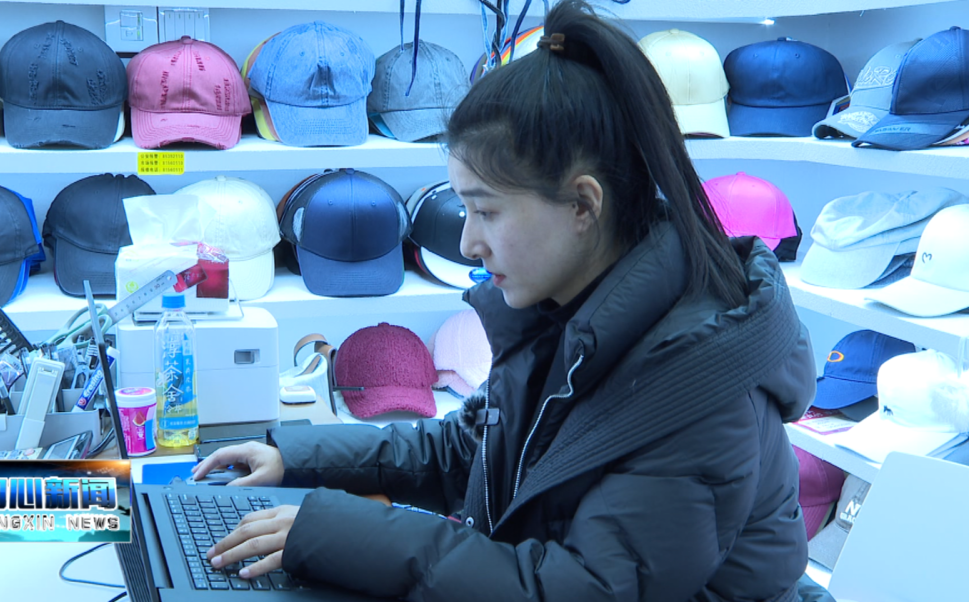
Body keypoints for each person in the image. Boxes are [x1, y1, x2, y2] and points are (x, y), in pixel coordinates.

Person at [193, 1, 822, 600]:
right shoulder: (571, 316)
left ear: (583, 205)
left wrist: (338, 532)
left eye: (486, 211)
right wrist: (293, 458)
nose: (469, 243)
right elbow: (466, 451)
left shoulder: (698, 387)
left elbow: (577, 589)